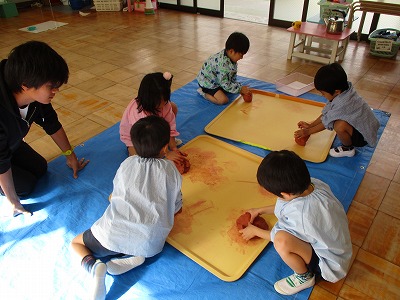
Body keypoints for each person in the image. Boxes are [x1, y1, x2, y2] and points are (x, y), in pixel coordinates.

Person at [71, 115, 183, 300]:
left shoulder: (127, 164)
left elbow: (117, 192)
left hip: (111, 235)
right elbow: (177, 206)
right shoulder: (171, 169)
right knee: (139, 237)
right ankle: (134, 257)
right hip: (151, 244)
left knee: (76, 243)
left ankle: (94, 267)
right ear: (164, 148)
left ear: (133, 144)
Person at [239, 150, 352, 296]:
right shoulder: (314, 184)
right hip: (338, 247)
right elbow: (288, 206)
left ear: (285, 194)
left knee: (281, 241)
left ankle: (304, 277)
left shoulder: (302, 216)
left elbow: (277, 236)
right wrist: (260, 210)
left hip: (328, 264)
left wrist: (254, 231)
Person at [0, 41, 89, 217]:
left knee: (40, 167)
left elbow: (51, 123)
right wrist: (14, 201)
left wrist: (70, 155)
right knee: (25, 187)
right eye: (51, 86)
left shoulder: (35, 97)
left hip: (10, 143)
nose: (55, 90)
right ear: (25, 85)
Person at [294, 62, 379, 158]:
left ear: (336, 91)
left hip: (363, 136)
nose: (322, 95)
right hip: (367, 125)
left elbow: (326, 122)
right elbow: (327, 114)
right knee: (336, 120)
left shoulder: (343, 103)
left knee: (339, 125)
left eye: (323, 93)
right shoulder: (345, 90)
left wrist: (308, 132)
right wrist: (310, 125)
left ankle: (348, 149)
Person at [119, 72, 185, 163]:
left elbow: (170, 126)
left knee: (173, 107)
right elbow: (145, 138)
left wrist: (173, 148)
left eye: (165, 100)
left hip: (155, 127)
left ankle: (163, 142)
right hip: (138, 137)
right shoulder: (139, 115)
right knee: (140, 159)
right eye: (159, 102)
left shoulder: (164, 105)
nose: (163, 105)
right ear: (148, 99)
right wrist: (166, 153)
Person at [196, 31, 251, 105]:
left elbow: (232, 77)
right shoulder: (223, 65)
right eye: (241, 55)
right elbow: (225, 84)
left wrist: (239, 88)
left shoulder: (230, 58)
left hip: (217, 80)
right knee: (223, 100)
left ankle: (218, 89)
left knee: (228, 89)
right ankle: (203, 92)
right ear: (231, 51)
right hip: (207, 82)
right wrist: (240, 89)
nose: (242, 57)